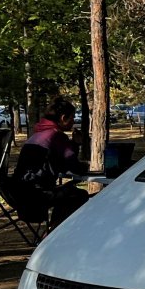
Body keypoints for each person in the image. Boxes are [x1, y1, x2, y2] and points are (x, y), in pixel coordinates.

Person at [12, 95, 89, 231]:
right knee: (77, 195)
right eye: (71, 118)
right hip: (38, 194)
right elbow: (74, 167)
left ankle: (54, 229)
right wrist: (77, 145)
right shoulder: (57, 136)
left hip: (20, 192)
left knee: (69, 192)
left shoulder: (38, 134)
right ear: (63, 118)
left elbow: (60, 161)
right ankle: (55, 230)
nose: (73, 122)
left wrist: (72, 145)